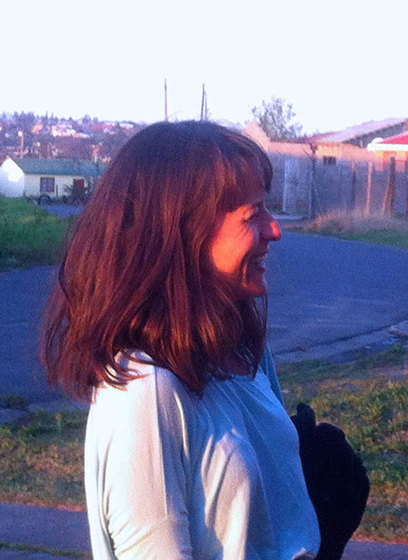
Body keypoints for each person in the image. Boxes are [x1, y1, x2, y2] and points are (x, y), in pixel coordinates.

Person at [41, 121, 367, 560]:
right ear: (181, 235)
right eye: (253, 216)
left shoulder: (244, 352)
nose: (275, 231)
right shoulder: (146, 391)